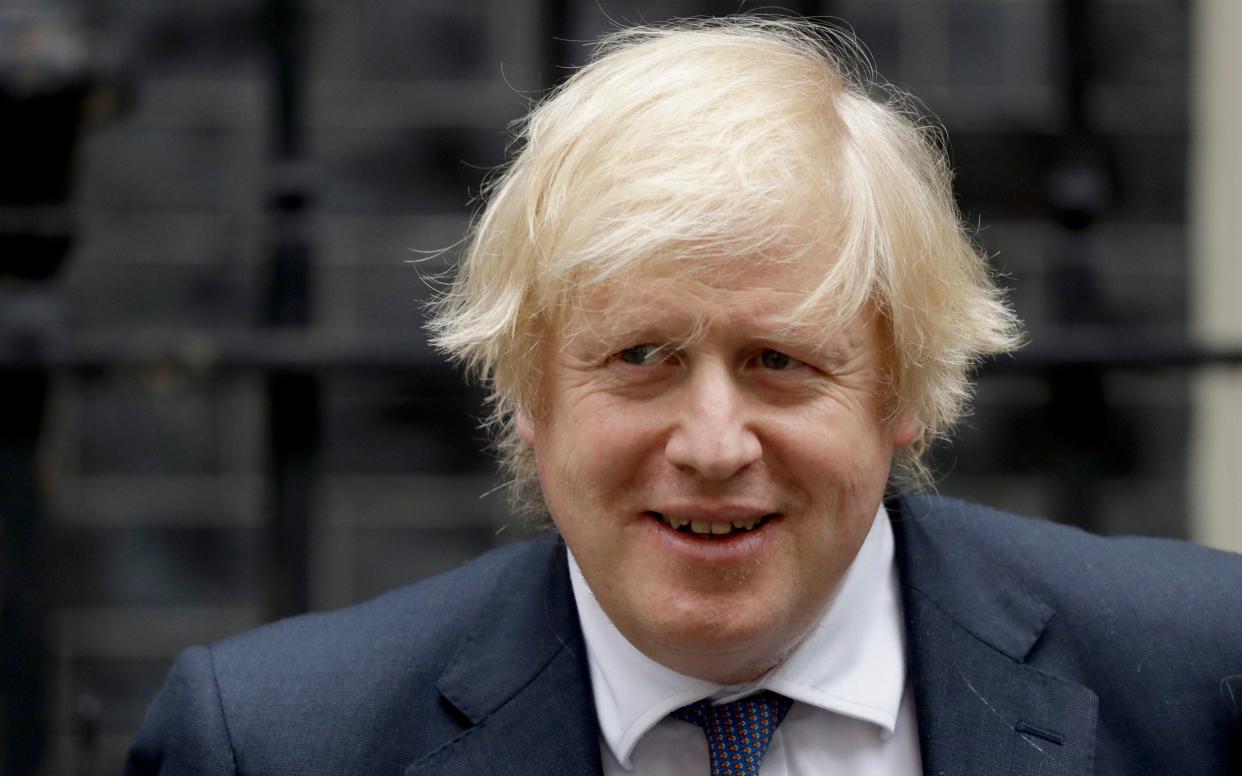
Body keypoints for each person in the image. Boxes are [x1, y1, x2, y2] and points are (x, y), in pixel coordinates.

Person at [126, 17, 1242, 775]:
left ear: (900, 391)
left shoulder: (1204, 674)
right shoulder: (274, 741)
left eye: (781, 361)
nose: (713, 443)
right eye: (641, 357)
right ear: (529, 390)